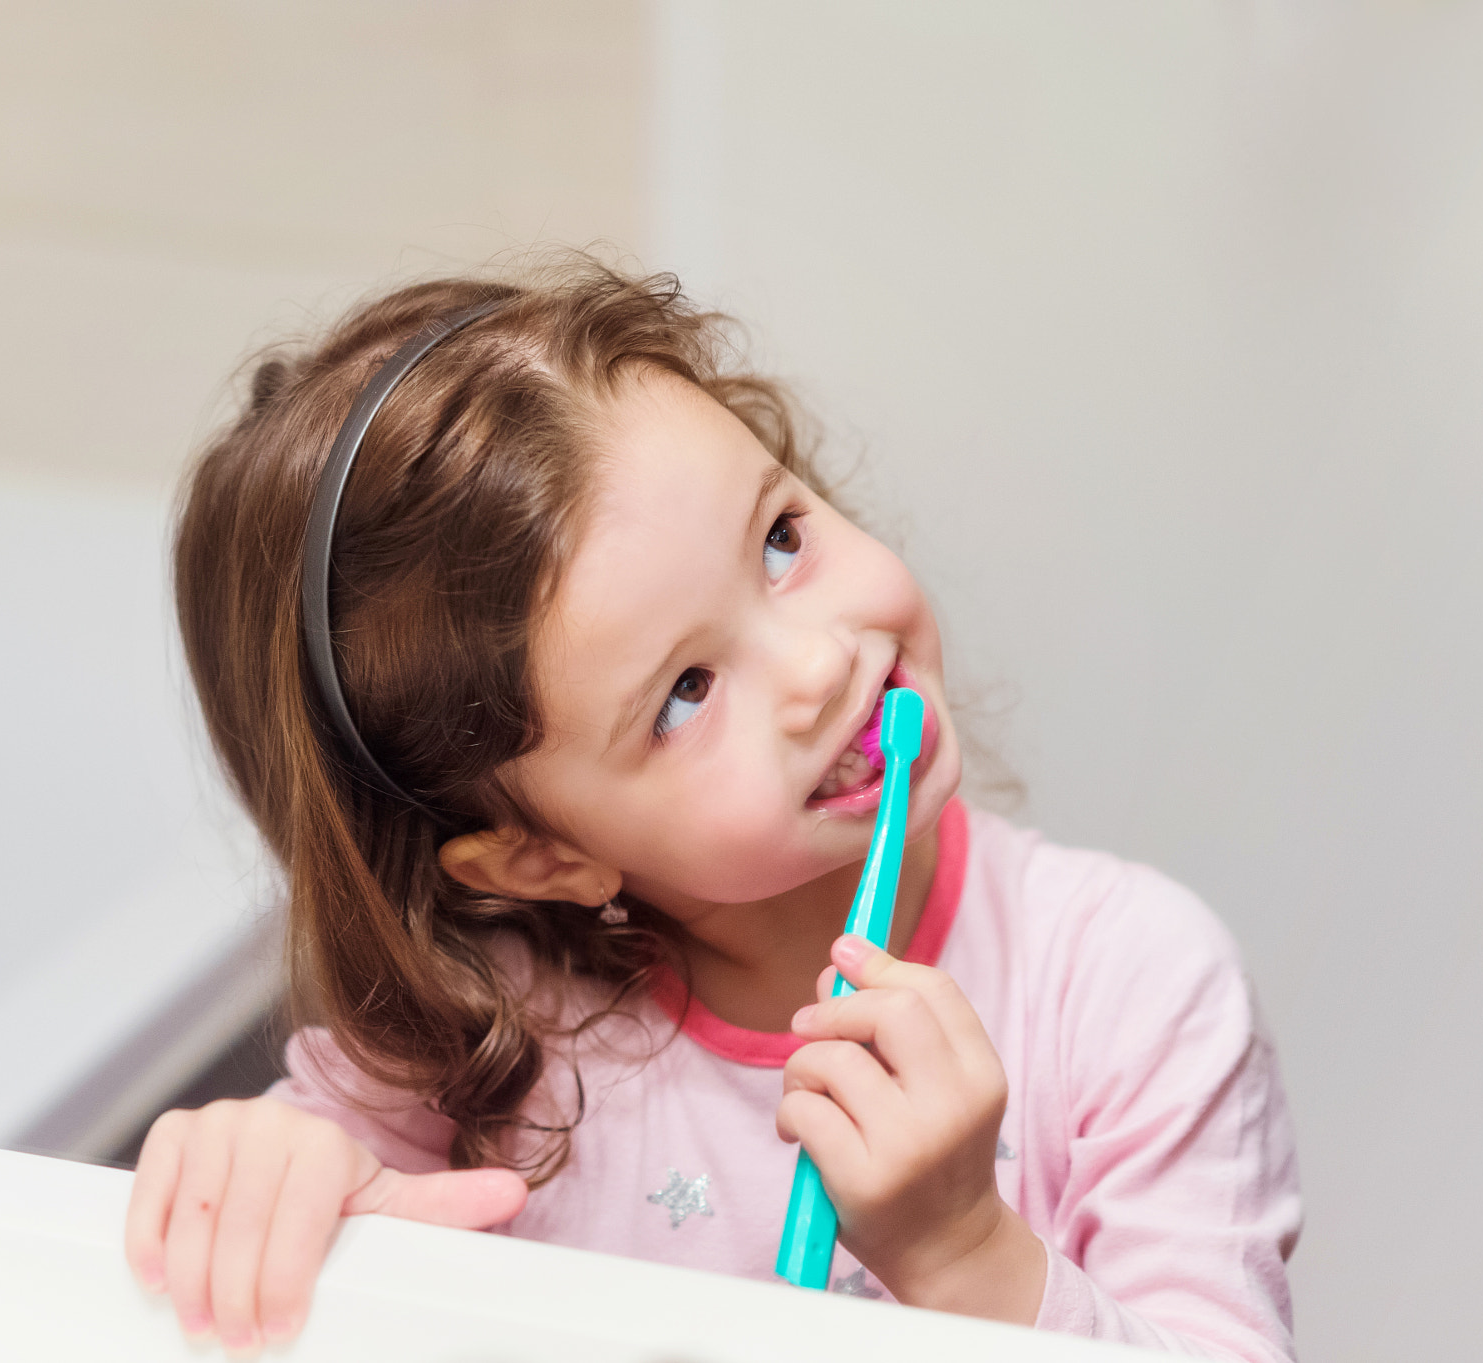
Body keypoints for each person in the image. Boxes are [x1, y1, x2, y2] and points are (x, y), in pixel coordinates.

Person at [124, 258, 1300, 1360]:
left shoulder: (1126, 980)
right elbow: (281, 1213)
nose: (817, 665)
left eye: (780, 541)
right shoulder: (465, 1043)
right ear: (536, 857)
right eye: (685, 693)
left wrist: (962, 1253)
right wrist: (264, 1173)